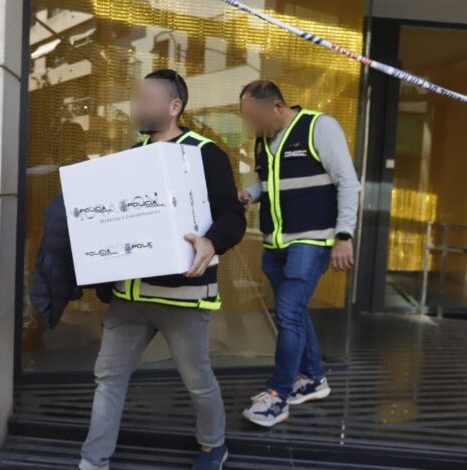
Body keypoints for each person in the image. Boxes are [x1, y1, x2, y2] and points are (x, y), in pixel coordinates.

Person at [79, 69, 246, 470]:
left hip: (183, 298)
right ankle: (92, 462)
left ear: (174, 107)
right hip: (129, 297)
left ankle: (213, 445)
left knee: (196, 380)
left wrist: (211, 241)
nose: (140, 106)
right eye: (138, 98)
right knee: (108, 379)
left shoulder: (206, 152)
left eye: (148, 99)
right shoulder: (131, 155)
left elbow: (232, 216)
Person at [237, 80, 360, 427]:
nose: (251, 125)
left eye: (254, 116)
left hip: (312, 239)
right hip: (275, 242)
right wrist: (248, 194)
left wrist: (344, 236)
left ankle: (278, 395)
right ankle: (314, 378)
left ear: (277, 106)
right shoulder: (264, 140)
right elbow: (267, 182)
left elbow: (348, 183)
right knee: (293, 311)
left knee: (289, 312)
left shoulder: (318, 127)